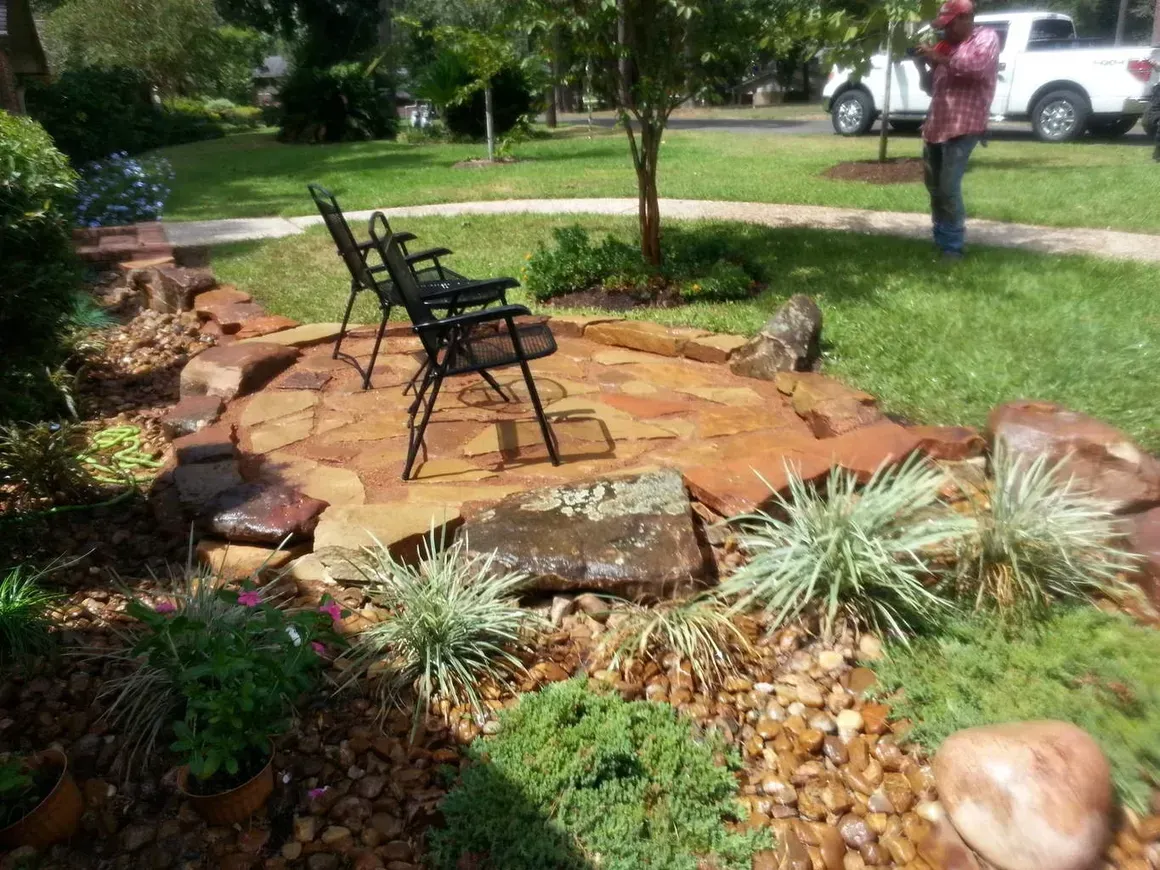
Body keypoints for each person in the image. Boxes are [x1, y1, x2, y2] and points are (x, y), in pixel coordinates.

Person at [913, 0, 1000, 259]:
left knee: (949, 187)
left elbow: (975, 69)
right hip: (937, 125)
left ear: (966, 18)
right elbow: (931, 88)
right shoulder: (945, 47)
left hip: (965, 125)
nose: (945, 30)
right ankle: (940, 239)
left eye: (949, 25)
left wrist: (938, 57)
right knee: (934, 186)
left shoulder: (985, 38)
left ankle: (952, 248)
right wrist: (922, 65)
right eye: (943, 26)